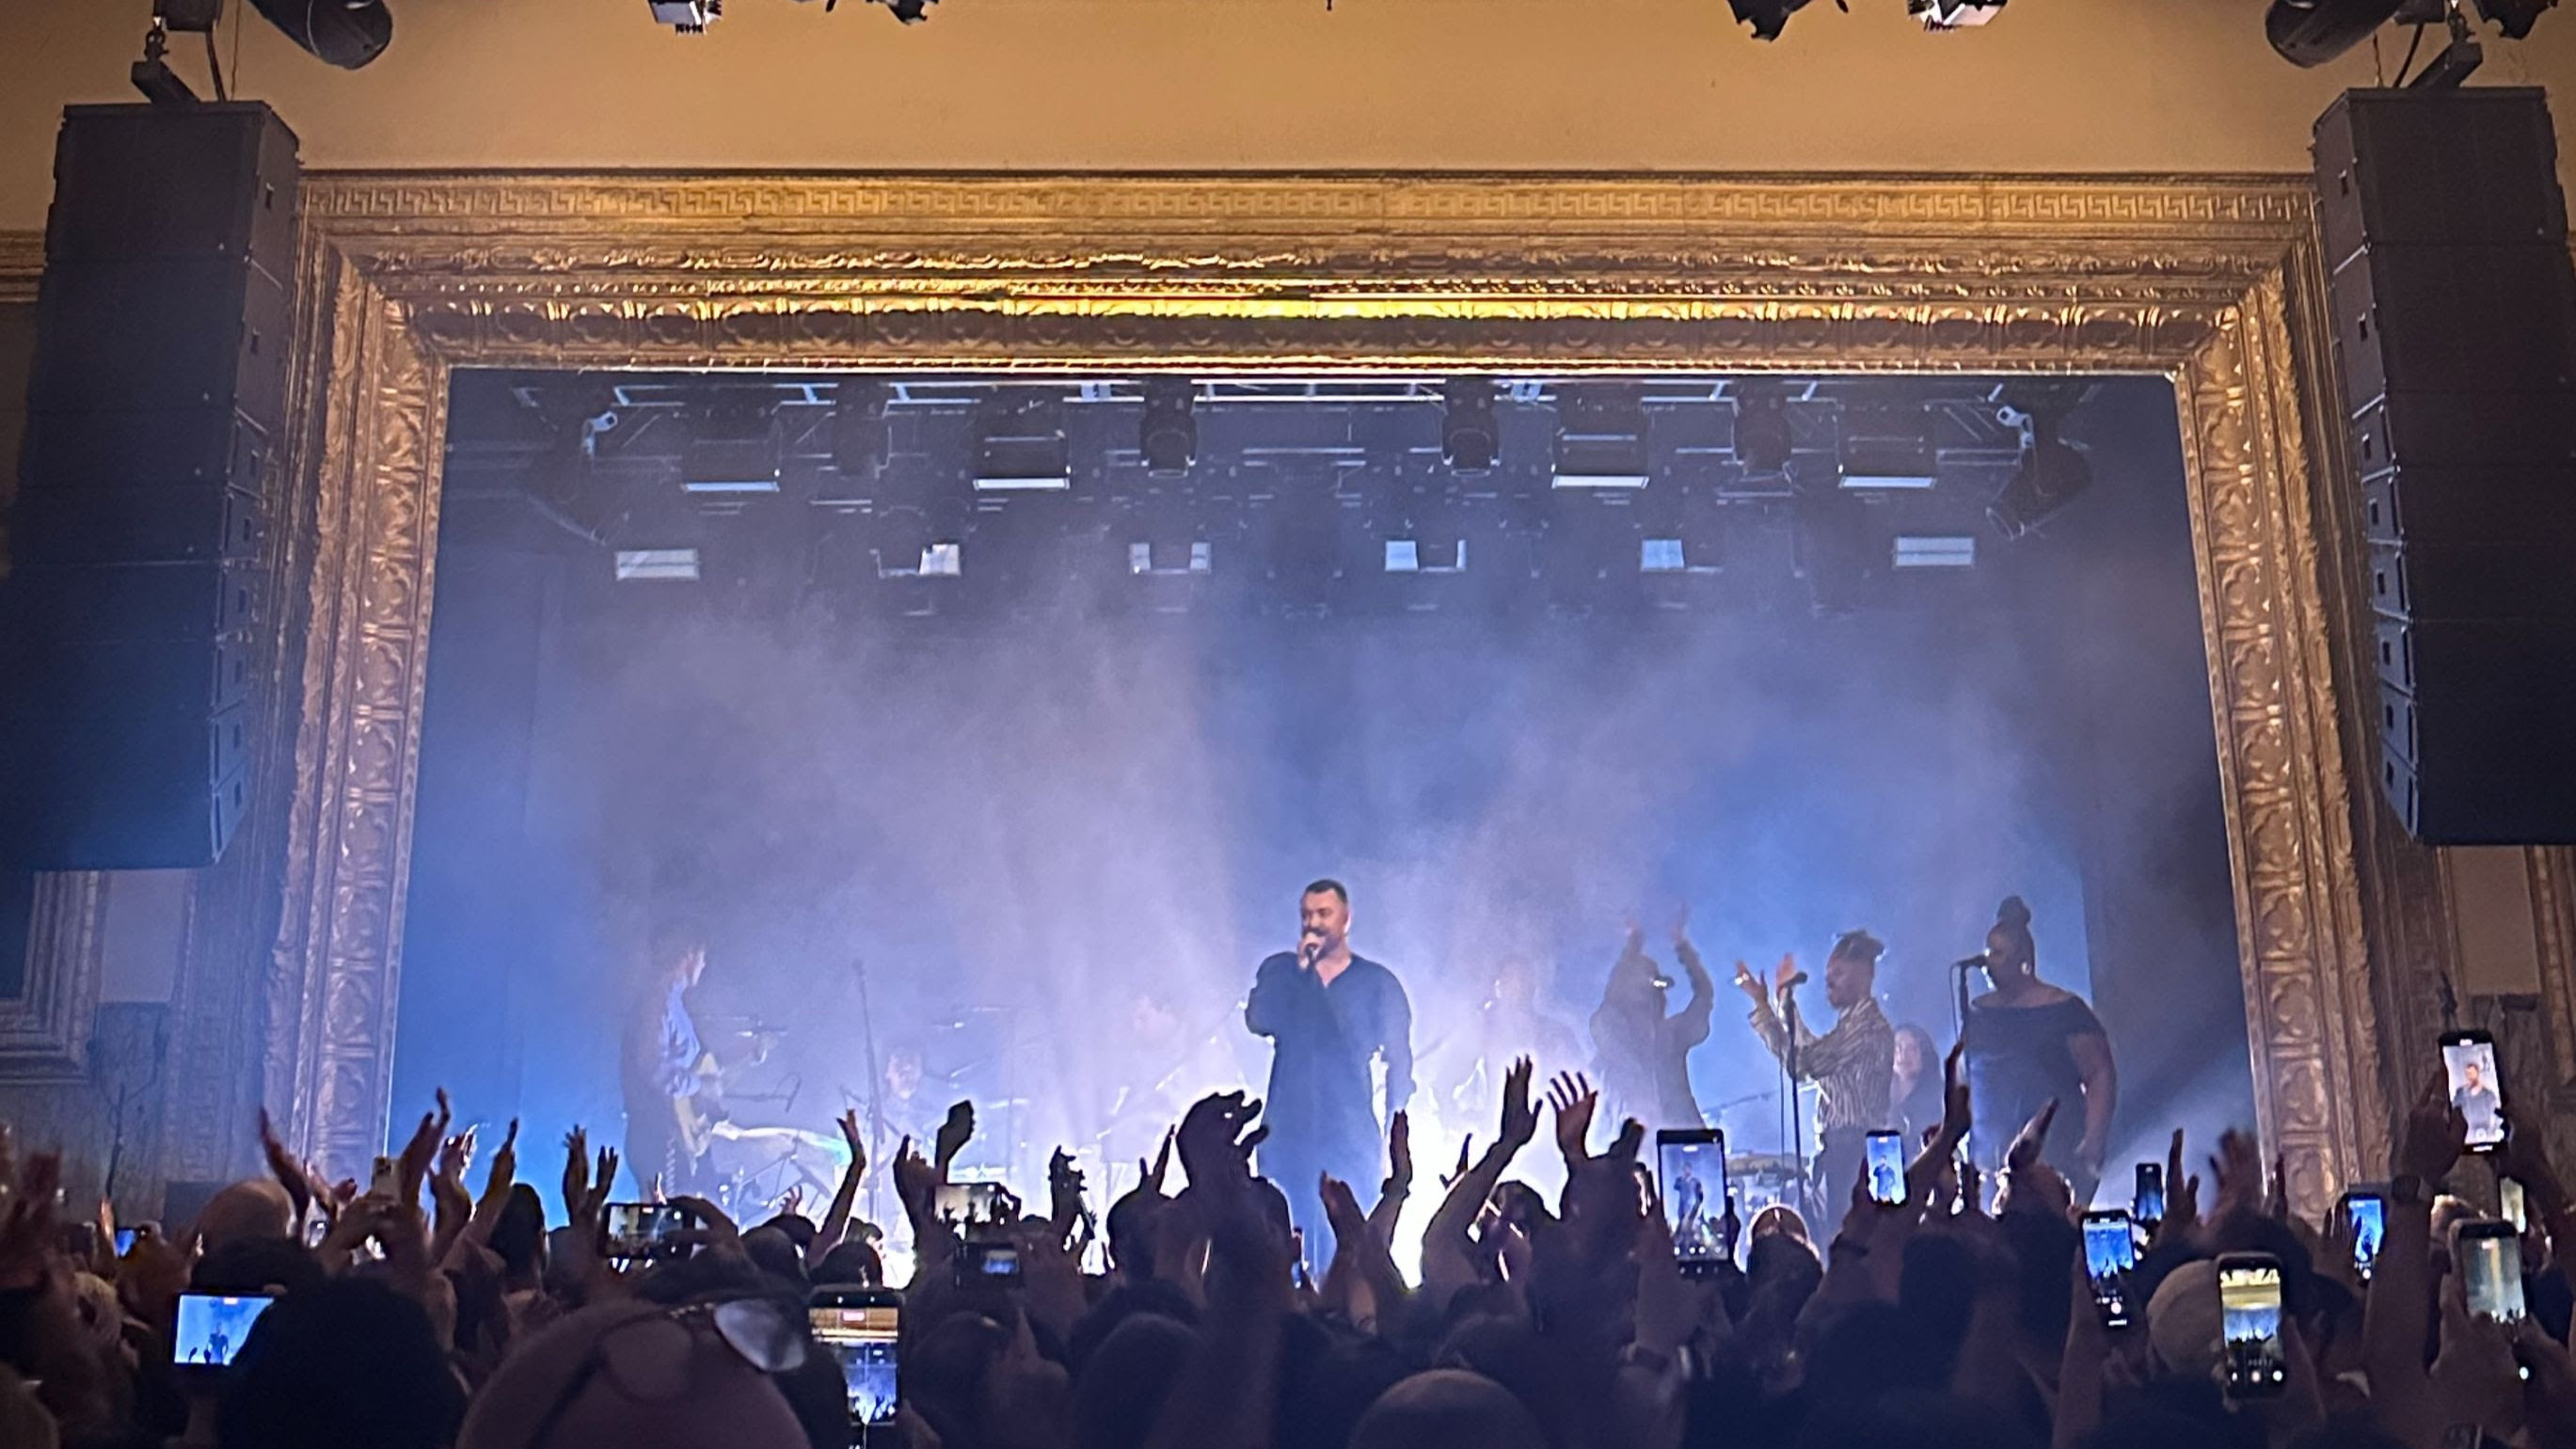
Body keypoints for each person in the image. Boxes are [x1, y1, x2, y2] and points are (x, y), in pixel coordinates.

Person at [1244, 878, 1414, 1265]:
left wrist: (1393, 1131)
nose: (1314, 923)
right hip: (1286, 1133)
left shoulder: (1377, 983)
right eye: (1307, 915)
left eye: (1324, 914)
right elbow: (1257, 1019)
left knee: (1352, 1244)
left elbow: (1399, 1063)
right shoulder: (1281, 972)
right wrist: (1300, 973)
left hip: (1350, 1133)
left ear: (1346, 919)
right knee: (1285, 1236)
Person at [1736, 929, 1895, 1234]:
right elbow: (1811, 1054)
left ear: (1865, 977)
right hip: (1841, 1151)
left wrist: (1767, 1009)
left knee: (1842, 1242)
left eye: (1838, 973)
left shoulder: (1867, 1029)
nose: (1829, 980)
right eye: (1828, 973)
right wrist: (1780, 1003)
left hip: (1853, 1153)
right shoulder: (1850, 1027)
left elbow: (1804, 1063)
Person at [1964, 895, 2117, 1203]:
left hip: (2055, 1146)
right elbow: (1967, 1074)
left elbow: (2099, 1072)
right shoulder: (1979, 1012)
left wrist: (2094, 1138)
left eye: (1998, 953)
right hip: (1991, 1151)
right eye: (1987, 951)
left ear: (2023, 959)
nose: (1988, 962)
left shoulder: (2064, 1009)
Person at [623, 920, 719, 1197]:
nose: (704, 965)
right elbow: (653, 1067)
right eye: (702, 958)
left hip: (671, 1133)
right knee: (664, 1218)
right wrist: (697, 1086)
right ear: (688, 955)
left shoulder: (673, 1005)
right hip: (658, 1134)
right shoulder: (658, 1002)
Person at [1588, 919, 1713, 1129]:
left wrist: (1684, 951)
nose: (1647, 1003)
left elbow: (1704, 998)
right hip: (1630, 1146)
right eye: (1639, 997)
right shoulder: (1613, 1039)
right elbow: (1605, 1014)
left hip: (1681, 1140)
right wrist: (1632, 948)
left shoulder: (1671, 1035)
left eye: (1652, 996)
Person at [1891, 1022, 1944, 1142]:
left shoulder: (1942, 1099)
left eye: (1911, 1048)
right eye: (1897, 1047)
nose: (1903, 1055)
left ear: (1924, 1055)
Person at [2451, 1056, 2502, 1144]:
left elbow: (2497, 1116)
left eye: (2471, 1073)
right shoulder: (2460, 1095)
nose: (2469, 1077)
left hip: (2486, 1136)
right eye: (2467, 1074)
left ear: (2477, 1073)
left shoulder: (2489, 1096)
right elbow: (2453, 1112)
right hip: (2467, 1137)